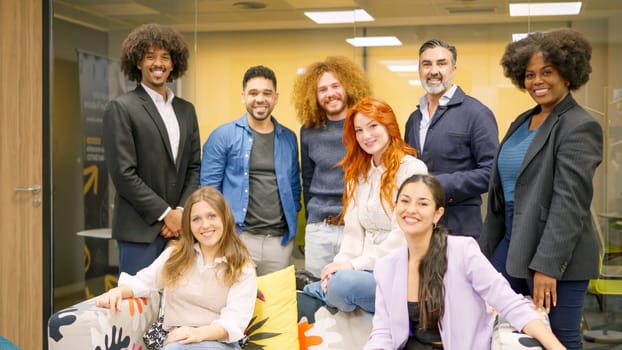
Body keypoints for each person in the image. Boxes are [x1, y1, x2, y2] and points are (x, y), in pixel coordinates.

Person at [479, 29, 602, 349]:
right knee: (503, 333)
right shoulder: (523, 120)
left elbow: (569, 203)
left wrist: (548, 267)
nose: (537, 81)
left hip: (556, 254)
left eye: (547, 72)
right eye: (530, 74)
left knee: (560, 340)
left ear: (568, 72)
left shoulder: (579, 125)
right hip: (509, 241)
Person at [366, 174, 565, 350]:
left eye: (423, 203)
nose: (411, 210)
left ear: (438, 213)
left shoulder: (462, 252)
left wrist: (555, 347)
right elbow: (383, 332)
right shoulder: (386, 267)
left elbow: (511, 304)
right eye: (405, 201)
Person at [303, 97, 427, 313]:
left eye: (373, 126)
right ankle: (327, 290)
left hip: (399, 270)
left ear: (389, 126)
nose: (366, 136)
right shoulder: (357, 174)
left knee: (341, 286)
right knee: (332, 280)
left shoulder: (413, 170)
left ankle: (326, 292)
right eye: (359, 130)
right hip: (361, 270)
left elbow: (404, 237)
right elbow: (352, 233)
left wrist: (352, 267)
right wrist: (339, 266)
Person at [95, 186, 257, 350]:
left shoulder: (242, 267)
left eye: (212, 216)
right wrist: (116, 292)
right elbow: (142, 282)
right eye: (196, 219)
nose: (205, 225)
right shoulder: (174, 256)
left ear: (225, 218)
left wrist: (197, 334)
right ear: (189, 225)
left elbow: (234, 322)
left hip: (218, 342)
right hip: (176, 340)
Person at [103, 23, 201, 275]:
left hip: (179, 231)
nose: (158, 63)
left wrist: (180, 213)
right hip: (139, 232)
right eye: (150, 57)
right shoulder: (122, 108)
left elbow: (193, 167)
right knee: (138, 308)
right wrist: (165, 214)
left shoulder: (186, 110)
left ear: (173, 64)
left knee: (177, 308)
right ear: (137, 63)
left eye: (164, 57)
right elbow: (124, 174)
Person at [200, 65, 301, 276]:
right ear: (243, 96)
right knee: (238, 304)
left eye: (267, 93)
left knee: (274, 306)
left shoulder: (288, 138)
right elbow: (208, 193)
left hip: (280, 242)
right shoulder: (223, 136)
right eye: (253, 93)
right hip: (239, 238)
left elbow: (294, 187)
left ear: (276, 97)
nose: (260, 99)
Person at [404, 39, 498, 238]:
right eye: (426, 64)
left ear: (454, 69)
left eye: (441, 63)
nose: (433, 70)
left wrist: (437, 184)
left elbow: (491, 173)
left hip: (460, 228)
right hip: (418, 228)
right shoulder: (414, 119)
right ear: (419, 69)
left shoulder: (476, 114)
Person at [292, 56, 372, 278]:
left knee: (352, 296)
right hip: (320, 229)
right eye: (322, 89)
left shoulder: (365, 127)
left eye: (336, 86)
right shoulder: (308, 131)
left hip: (358, 229)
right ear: (314, 96)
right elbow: (307, 181)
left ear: (349, 86)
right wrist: (314, 218)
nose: (330, 94)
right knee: (317, 294)